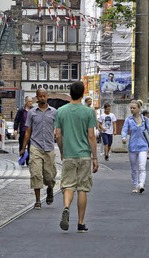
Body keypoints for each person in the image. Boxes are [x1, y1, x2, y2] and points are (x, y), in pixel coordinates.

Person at [55, 81, 99, 233]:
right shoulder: (88, 112)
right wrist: (95, 157)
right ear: (82, 93)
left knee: (68, 185)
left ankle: (66, 207)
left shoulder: (60, 111)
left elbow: (58, 135)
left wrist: (62, 151)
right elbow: (91, 136)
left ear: (70, 92)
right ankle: (80, 223)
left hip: (69, 154)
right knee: (82, 188)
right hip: (84, 155)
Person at [20, 88, 57, 209]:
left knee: (49, 176)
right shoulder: (32, 112)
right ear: (37, 97)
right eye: (40, 96)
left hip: (49, 147)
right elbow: (28, 130)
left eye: (44, 96)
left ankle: (50, 188)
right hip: (35, 147)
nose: (42, 98)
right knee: (36, 174)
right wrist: (23, 147)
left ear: (47, 96)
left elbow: (58, 130)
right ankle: (37, 201)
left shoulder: (54, 112)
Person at [121, 99, 149, 193]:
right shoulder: (128, 120)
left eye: (134, 108)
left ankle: (141, 184)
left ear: (139, 108)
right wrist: (124, 137)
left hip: (143, 146)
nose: (132, 109)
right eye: (131, 108)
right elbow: (124, 130)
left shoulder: (145, 120)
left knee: (142, 166)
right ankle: (135, 184)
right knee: (133, 168)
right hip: (132, 147)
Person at [14, 96, 34, 166]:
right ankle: (22, 159)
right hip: (23, 130)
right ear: (26, 102)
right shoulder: (21, 110)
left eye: (31, 101)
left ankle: (28, 160)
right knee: (22, 145)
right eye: (29, 101)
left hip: (31, 131)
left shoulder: (33, 110)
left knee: (30, 146)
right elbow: (17, 120)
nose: (30, 103)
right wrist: (15, 129)